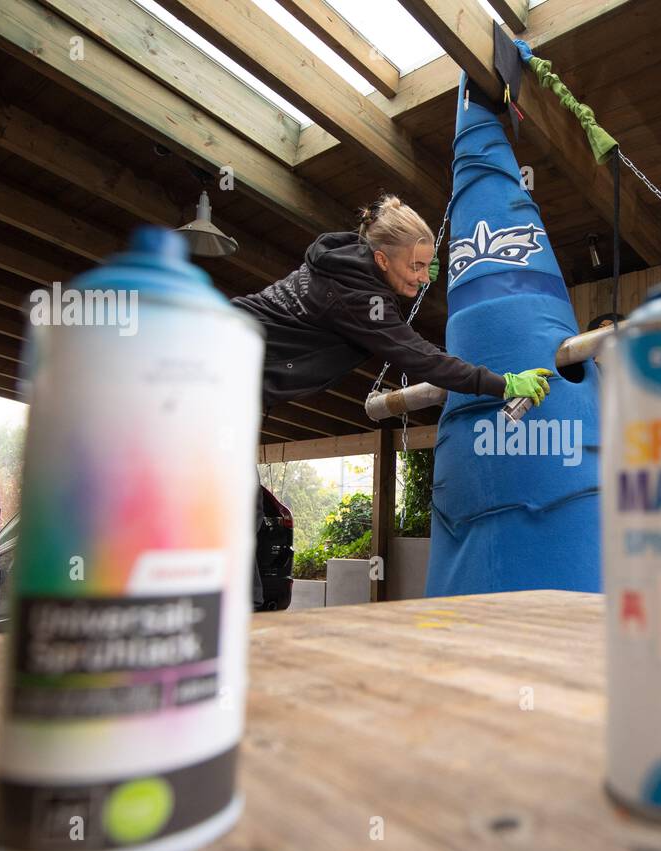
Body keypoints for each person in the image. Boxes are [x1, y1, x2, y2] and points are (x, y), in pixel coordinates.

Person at [236, 193, 554, 608]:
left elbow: (383, 250)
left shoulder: (350, 259)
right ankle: (238, 625)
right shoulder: (358, 299)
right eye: (415, 266)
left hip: (229, 379)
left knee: (242, 509)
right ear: (382, 260)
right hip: (209, 374)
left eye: (427, 266)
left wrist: (415, 262)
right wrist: (502, 383)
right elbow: (420, 357)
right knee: (230, 510)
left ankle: (239, 619)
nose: (424, 278)